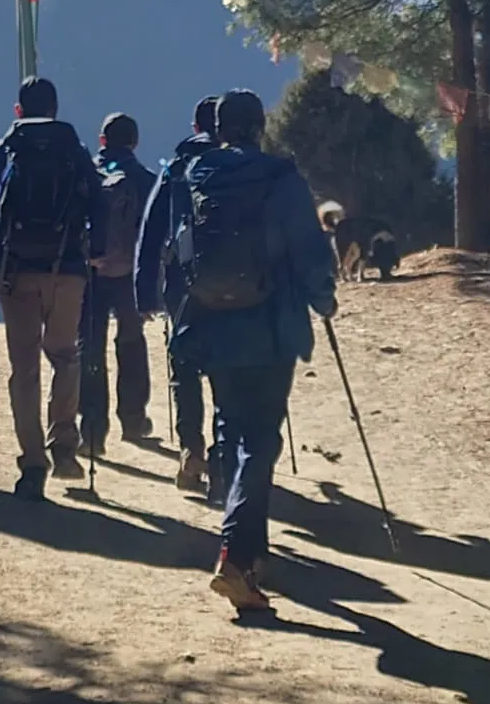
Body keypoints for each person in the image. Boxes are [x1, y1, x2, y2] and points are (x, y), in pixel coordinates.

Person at [169, 89, 336, 612]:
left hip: (213, 323)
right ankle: (237, 559)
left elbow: (178, 249)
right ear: (261, 127)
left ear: (217, 129)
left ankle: (250, 549)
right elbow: (308, 249)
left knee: (233, 427)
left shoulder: (194, 176)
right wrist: (323, 298)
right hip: (270, 325)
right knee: (260, 441)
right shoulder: (281, 179)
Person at [0, 76, 105, 500]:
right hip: (68, 271)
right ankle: (64, 441)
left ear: (18, 110)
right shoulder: (76, 151)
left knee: (24, 369)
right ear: (57, 108)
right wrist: (95, 253)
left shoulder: (3, 151)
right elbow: (99, 203)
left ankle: (32, 465)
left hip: (17, 273)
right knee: (65, 355)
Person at [135, 96, 220, 494]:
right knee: (228, 369)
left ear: (194, 126)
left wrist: (144, 294)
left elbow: (151, 234)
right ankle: (224, 454)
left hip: (181, 285)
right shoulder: (247, 169)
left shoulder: (176, 170)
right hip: (238, 284)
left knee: (183, 368)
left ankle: (191, 448)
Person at [79, 113, 157, 456]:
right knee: (131, 341)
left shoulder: (85, 176)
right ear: (135, 142)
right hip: (130, 275)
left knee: (90, 347)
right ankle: (133, 418)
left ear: (101, 140)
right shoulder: (146, 179)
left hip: (90, 274)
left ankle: (93, 429)